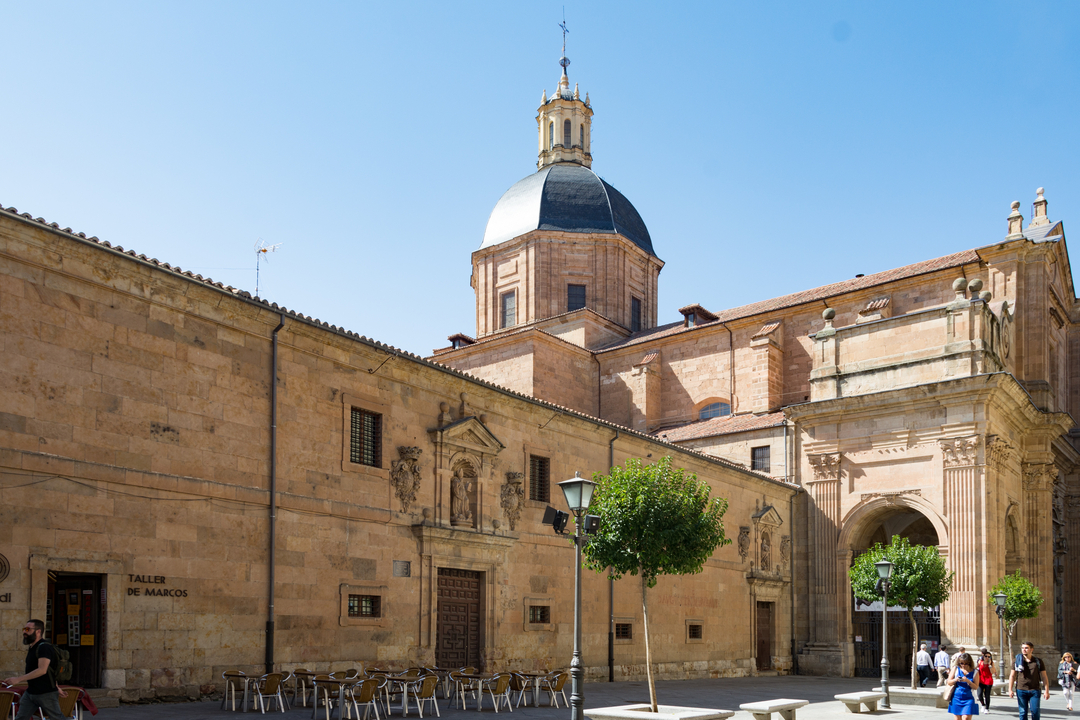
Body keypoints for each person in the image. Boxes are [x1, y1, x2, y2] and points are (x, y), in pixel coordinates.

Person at [3, 619, 67, 720]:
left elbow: (43, 670)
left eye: (27, 629)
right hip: (31, 693)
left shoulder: (44, 647)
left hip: (46, 693)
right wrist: (56, 686)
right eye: (24, 629)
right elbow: (49, 670)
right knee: (21, 717)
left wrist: (18, 679)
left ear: (38, 631)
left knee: (57, 718)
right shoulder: (33, 647)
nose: (24, 632)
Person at [1009, 641, 1050, 720]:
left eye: (1026, 648)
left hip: (1035, 690)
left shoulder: (1038, 661)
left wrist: (1046, 691)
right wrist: (1010, 689)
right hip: (1021, 690)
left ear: (1032, 649)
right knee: (1023, 712)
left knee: (1035, 711)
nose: (1024, 650)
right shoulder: (1016, 661)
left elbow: (1044, 676)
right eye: (1022, 648)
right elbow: (1012, 675)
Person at [948, 652, 981, 719]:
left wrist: (968, 681)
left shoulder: (975, 672)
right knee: (957, 718)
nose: (963, 665)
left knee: (966, 717)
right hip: (956, 697)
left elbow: (976, 687)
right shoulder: (956, 669)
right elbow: (949, 682)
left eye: (966, 663)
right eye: (961, 663)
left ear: (970, 663)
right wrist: (956, 680)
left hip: (969, 698)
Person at [976, 649, 995, 713]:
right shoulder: (980, 661)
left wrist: (990, 665)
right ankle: (983, 705)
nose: (987, 657)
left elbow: (993, 672)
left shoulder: (992, 663)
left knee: (987, 695)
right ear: (983, 656)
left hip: (988, 681)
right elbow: (976, 668)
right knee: (979, 694)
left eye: (989, 656)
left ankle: (987, 708)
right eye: (986, 656)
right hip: (980, 680)